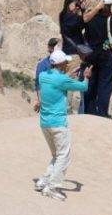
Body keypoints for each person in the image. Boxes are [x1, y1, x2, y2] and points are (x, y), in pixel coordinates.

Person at [34, 48, 88, 200]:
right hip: (58, 124)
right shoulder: (62, 80)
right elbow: (83, 87)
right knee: (64, 156)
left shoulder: (43, 76)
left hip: (44, 123)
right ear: (61, 64)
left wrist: (67, 76)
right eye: (65, 62)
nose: (67, 64)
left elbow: (57, 81)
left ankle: (43, 181)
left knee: (56, 155)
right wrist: (86, 77)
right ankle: (52, 187)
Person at [82, 0, 112, 116]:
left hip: (91, 56)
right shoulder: (110, 18)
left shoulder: (91, 17)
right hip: (106, 56)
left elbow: (85, 33)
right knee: (105, 87)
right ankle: (102, 115)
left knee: (90, 85)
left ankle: (89, 113)